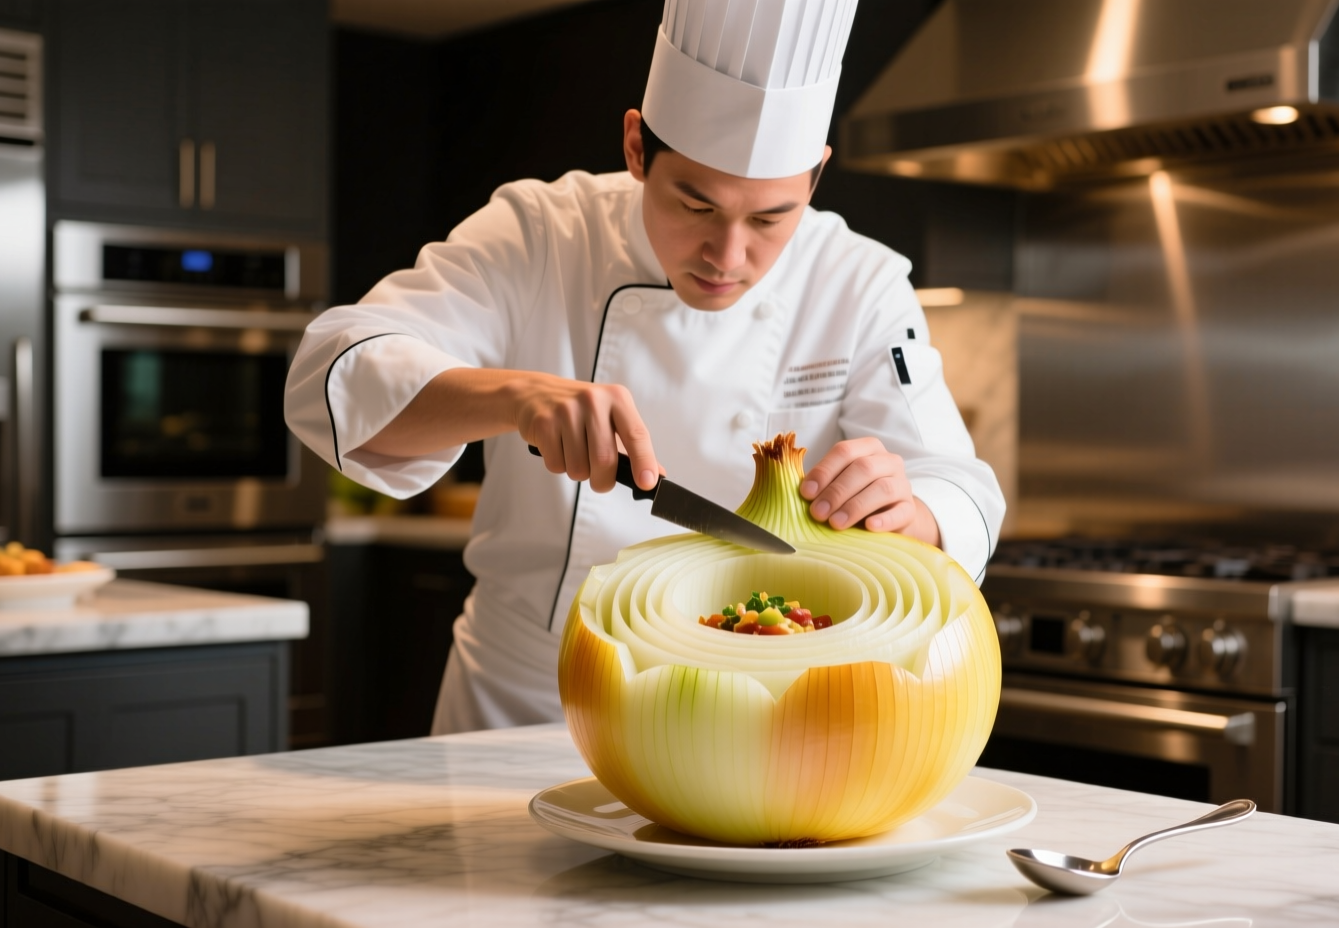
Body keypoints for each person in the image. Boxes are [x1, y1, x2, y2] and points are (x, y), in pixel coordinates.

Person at [284, 0, 1004, 734]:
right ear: (636, 148)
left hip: (753, 717)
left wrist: (910, 512)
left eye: (769, 219)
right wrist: (514, 397)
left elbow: (960, 483)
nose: (728, 258)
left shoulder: (858, 282)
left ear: (816, 176)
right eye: (694, 205)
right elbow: (332, 371)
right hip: (524, 711)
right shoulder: (540, 234)